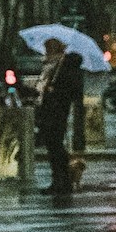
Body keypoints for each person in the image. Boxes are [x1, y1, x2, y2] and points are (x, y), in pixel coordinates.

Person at [36, 42, 85, 195]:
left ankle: (62, 181)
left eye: (48, 49)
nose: (46, 52)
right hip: (50, 110)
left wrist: (53, 89)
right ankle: (59, 180)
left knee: (56, 146)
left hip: (57, 111)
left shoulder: (64, 67)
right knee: (53, 146)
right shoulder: (52, 67)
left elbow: (71, 90)